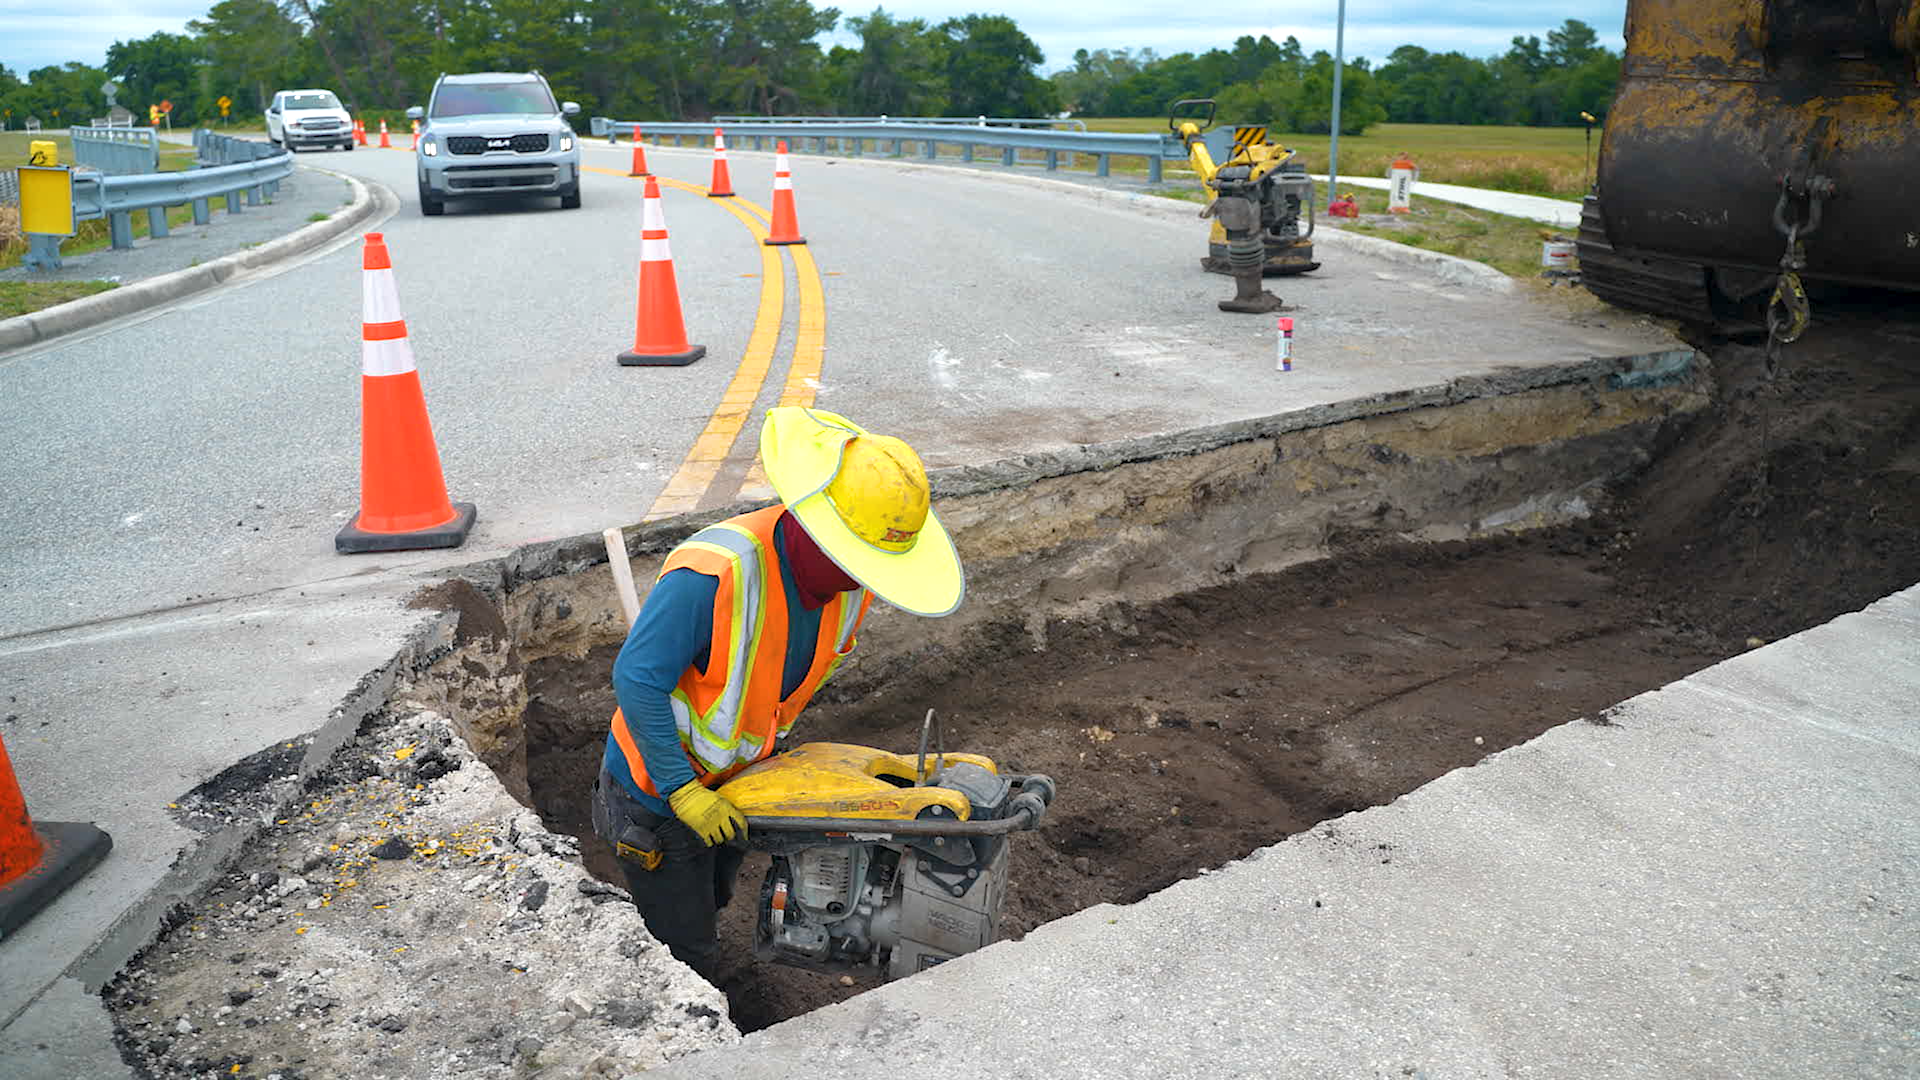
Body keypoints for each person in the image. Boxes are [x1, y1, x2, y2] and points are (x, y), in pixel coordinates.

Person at [590, 406, 965, 978]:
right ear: (820, 530)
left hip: (741, 781)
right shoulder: (714, 574)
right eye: (858, 560)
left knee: (714, 893)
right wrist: (683, 792)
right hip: (657, 789)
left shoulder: (850, 586)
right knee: (682, 947)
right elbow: (637, 680)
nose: (867, 577)